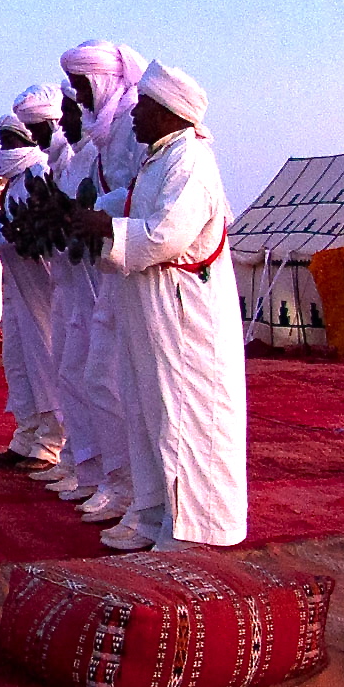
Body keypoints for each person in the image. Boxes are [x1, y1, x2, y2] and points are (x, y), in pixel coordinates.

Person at [93, 59, 248, 549]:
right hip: (152, 307)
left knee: (183, 417)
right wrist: (95, 211)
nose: (134, 115)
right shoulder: (160, 157)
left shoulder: (192, 162)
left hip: (186, 316)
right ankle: (153, 511)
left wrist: (102, 229)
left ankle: (194, 531)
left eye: (144, 107)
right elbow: (137, 206)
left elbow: (165, 235)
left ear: (168, 112)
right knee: (146, 411)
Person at [46, 39, 144, 522]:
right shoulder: (109, 132)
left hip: (132, 273)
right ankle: (107, 478)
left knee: (110, 381)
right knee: (89, 377)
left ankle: (128, 490)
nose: (77, 103)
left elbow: (144, 193)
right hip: (101, 275)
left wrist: (90, 212)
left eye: (81, 88)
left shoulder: (129, 123)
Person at [0, 94, 64, 470]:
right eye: (2, 142)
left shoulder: (41, 173)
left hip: (42, 287)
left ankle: (51, 443)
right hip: (18, 289)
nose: (5, 148)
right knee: (19, 363)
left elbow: (26, 227)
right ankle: (26, 436)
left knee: (45, 362)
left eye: (11, 141)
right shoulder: (16, 181)